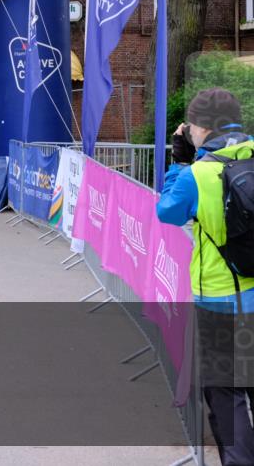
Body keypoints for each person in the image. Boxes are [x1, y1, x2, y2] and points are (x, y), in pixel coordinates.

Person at [156, 88, 254, 466]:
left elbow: (168, 213)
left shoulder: (197, 174)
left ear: (201, 127)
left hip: (220, 299)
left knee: (227, 395)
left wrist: (180, 161)